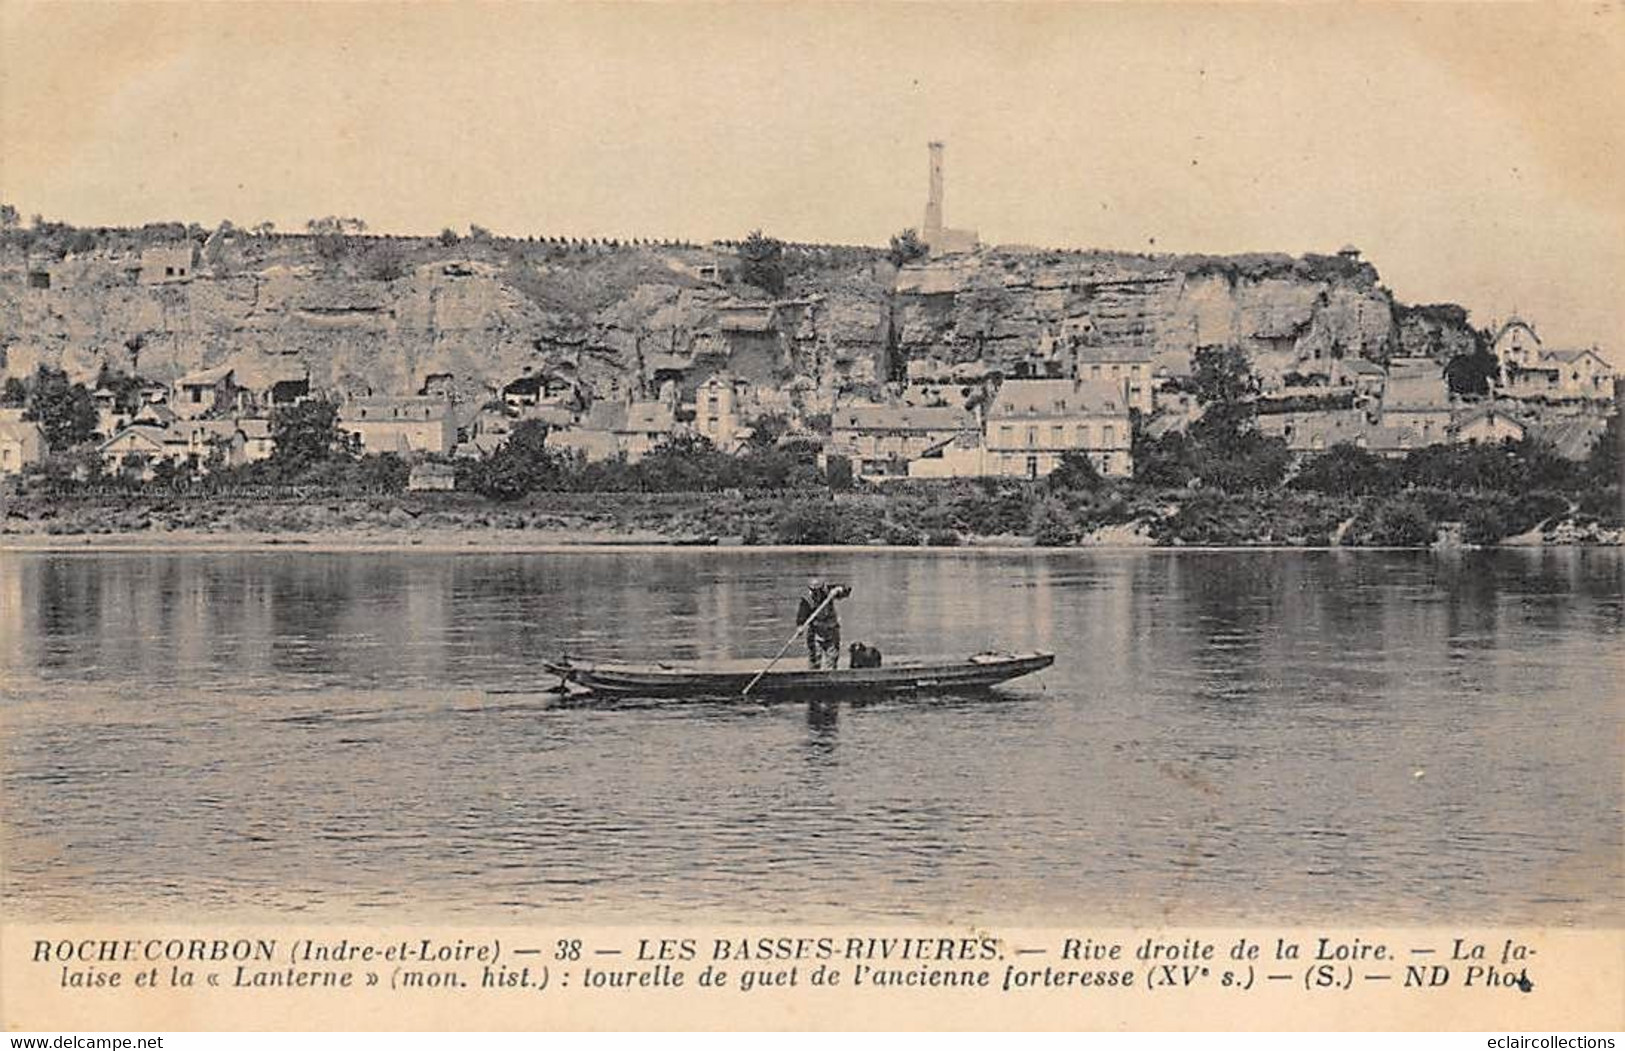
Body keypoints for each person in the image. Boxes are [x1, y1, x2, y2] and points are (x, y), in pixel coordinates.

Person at [797, 577, 851, 670]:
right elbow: (802, 614)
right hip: (816, 633)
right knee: (815, 659)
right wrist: (800, 626)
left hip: (831, 631)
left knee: (832, 658)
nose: (817, 593)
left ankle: (830, 678)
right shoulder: (807, 599)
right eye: (814, 591)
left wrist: (840, 589)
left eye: (819, 590)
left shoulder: (828, 592)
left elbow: (847, 590)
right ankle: (813, 677)